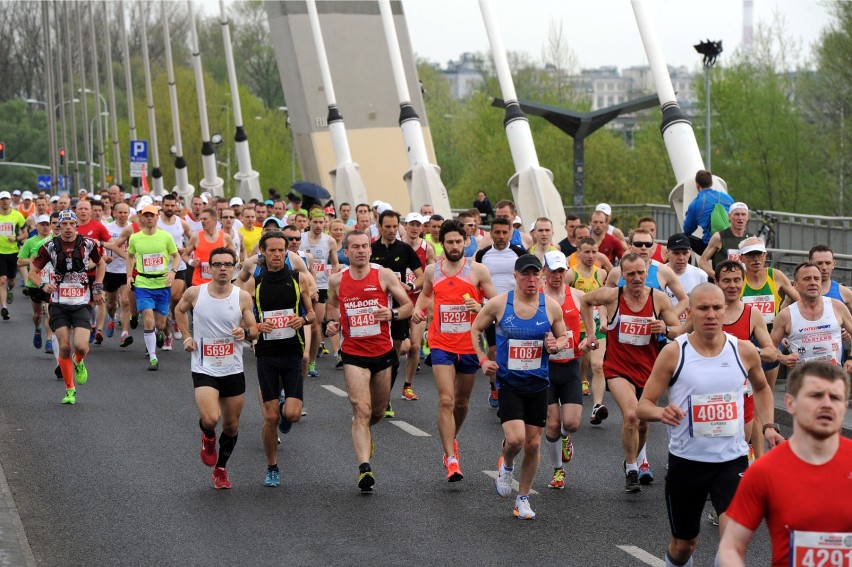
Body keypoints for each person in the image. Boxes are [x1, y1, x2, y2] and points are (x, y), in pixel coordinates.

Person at [636, 283, 783, 567]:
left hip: (732, 461)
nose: (711, 314)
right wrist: (660, 412)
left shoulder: (743, 351)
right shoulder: (674, 353)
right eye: (703, 308)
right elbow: (643, 404)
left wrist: (769, 426)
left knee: (732, 542)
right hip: (687, 462)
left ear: (725, 310)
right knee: (683, 546)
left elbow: (763, 389)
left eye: (717, 308)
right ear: (690, 312)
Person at [719, 361, 852, 567]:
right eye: (815, 395)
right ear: (790, 403)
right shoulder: (765, 470)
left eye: (835, 397)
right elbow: (731, 547)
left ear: (844, 408)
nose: (826, 403)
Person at [472, 254, 569, 519]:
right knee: (515, 439)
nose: (531, 279)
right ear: (515, 276)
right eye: (525, 274)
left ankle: (522, 498)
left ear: (542, 277)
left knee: (534, 444)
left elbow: (563, 336)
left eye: (535, 274)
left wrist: (556, 345)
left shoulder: (550, 306)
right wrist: (483, 359)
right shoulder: (500, 304)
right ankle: (507, 466)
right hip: (509, 383)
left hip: (538, 383)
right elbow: (476, 329)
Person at [581, 253, 681, 492]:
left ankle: (632, 459)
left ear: (647, 273)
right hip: (618, 369)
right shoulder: (612, 296)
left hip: (648, 371)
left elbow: (679, 329)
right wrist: (591, 333)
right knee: (632, 415)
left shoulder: (658, 299)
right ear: (622, 276)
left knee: (644, 425)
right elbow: (585, 300)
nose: (636, 278)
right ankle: (633, 467)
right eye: (631, 274)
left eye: (640, 273)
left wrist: (665, 329)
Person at [325, 230, 414, 492]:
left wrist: (393, 313)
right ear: (346, 251)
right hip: (353, 352)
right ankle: (365, 467)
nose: (361, 250)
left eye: (365, 246)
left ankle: (364, 431)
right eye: (355, 247)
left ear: (370, 249)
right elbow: (331, 306)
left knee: (375, 412)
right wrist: (332, 323)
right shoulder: (337, 280)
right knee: (360, 410)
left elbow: (408, 305)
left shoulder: (383, 274)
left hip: (383, 353)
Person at [413, 220, 497, 481]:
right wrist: (419, 309)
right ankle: (451, 458)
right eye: (449, 242)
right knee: (446, 400)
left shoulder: (478, 271)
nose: (454, 246)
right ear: (443, 243)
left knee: (461, 403)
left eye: (458, 241)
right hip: (441, 344)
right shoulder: (432, 271)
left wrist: (479, 306)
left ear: (465, 242)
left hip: (469, 346)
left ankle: (453, 437)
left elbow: (495, 305)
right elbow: (426, 295)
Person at [175, 247, 257, 490]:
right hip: (204, 366)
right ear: (209, 268)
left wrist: (246, 331)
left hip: (232, 367)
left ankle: (221, 469)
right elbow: (180, 311)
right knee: (211, 418)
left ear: (235, 267)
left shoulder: (242, 296)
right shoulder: (194, 293)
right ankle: (208, 436)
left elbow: (253, 329)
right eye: (218, 264)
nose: (223, 268)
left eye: (228, 264)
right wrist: (187, 336)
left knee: (231, 426)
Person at [246, 231, 315, 487]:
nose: (276, 255)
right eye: (271, 250)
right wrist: (255, 326)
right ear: (262, 252)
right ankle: (272, 466)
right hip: (266, 355)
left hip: (292, 352)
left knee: (292, 415)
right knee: (271, 417)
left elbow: (311, 313)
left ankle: (287, 411)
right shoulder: (255, 283)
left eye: (280, 250)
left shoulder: (299, 279)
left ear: (287, 253)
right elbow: (244, 314)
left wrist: (304, 319)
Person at [28, 210, 105, 404]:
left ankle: (78, 361)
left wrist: (97, 285)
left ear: (76, 226)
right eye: (64, 224)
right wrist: (43, 285)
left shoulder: (88, 244)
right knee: (64, 346)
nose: (68, 228)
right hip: (58, 302)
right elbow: (33, 272)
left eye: (72, 224)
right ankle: (70, 389)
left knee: (80, 346)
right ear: (59, 226)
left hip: (81, 302)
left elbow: (101, 264)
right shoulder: (49, 247)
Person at [540, 251, 586, 490]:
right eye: (552, 271)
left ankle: (567, 438)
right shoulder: (536, 298)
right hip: (545, 368)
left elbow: (592, 322)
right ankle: (558, 470)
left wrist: (589, 339)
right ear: (543, 271)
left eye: (561, 271)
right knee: (553, 424)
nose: (557, 276)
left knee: (572, 423)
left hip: (570, 366)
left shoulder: (577, 296)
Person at [370, 209, 423, 413]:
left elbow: (420, 277)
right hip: (374, 310)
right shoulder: (370, 248)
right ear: (379, 227)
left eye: (395, 226)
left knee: (393, 355)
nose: (392, 230)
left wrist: (409, 287)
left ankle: (386, 398)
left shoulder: (405, 249)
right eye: (388, 227)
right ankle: (373, 393)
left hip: (399, 309)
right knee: (374, 354)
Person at [475, 217, 526, 407]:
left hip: (514, 309)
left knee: (514, 351)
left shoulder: (519, 253)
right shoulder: (482, 255)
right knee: (495, 351)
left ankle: (512, 387)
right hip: (490, 309)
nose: (501, 236)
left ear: (511, 232)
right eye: (497, 232)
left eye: (505, 232)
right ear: (491, 233)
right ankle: (495, 388)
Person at [769, 262, 852, 372]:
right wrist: (783, 358)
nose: (813, 282)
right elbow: (770, 348)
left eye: (816, 278)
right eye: (807, 279)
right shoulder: (786, 315)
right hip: (801, 382)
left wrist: (850, 358)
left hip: (833, 379)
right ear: (795, 285)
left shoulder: (837, 307)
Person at [566, 237, 609, 421]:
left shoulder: (601, 274)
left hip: (597, 326)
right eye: (587, 252)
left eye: (594, 251)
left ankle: (597, 406)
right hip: (576, 327)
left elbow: (605, 301)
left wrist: (605, 321)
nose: (591, 255)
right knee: (572, 367)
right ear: (578, 252)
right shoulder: (570, 274)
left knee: (598, 366)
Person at [301, 210, 340, 377]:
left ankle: (311, 362)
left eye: (322, 222)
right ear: (309, 222)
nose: (318, 225)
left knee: (316, 327)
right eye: (315, 222)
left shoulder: (329, 241)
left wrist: (337, 276)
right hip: (303, 285)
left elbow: (335, 263)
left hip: (322, 286)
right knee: (301, 323)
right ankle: (299, 356)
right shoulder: (301, 239)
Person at [17, 214, 54, 351]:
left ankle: (49, 339)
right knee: (38, 314)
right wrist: (36, 261)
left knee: (51, 312)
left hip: (51, 283)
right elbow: (20, 261)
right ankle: (37, 328)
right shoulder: (30, 242)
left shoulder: (55, 242)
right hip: (35, 283)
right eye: (42, 224)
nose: (45, 227)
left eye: (47, 224)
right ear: (37, 226)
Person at [103, 202, 133, 347]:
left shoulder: (133, 228)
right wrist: (105, 256)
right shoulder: (108, 228)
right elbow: (103, 245)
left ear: (129, 213)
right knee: (111, 303)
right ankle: (112, 317)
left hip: (126, 271)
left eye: (125, 212)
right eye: (120, 212)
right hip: (111, 270)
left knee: (126, 301)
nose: (122, 215)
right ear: (114, 213)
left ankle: (125, 333)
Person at [683, 169, 734, 254]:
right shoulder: (728, 198)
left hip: (711, 247)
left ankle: (685, 266)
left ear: (697, 186)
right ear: (711, 183)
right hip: (731, 242)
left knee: (683, 237)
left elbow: (687, 230)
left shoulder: (696, 203)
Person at [698, 202, 753, 279]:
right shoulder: (719, 237)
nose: (740, 218)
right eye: (737, 214)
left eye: (743, 214)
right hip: (723, 286)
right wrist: (717, 277)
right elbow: (702, 262)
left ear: (747, 217)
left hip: (743, 285)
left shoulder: (752, 239)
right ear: (729, 216)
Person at [183, 208, 235, 288]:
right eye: (201, 219)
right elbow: (184, 255)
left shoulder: (225, 237)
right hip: (199, 282)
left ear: (214, 220)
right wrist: (191, 262)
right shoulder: (196, 237)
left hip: (219, 282)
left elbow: (235, 257)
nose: (202, 221)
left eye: (205, 219)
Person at [664, 233, 709, 325]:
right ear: (667, 252)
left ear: (690, 252)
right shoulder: (658, 273)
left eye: (685, 253)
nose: (681, 258)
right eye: (676, 253)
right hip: (664, 329)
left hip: (690, 329)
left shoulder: (701, 275)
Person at [0, 190, 27, 318]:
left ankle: (10, 290)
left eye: (6, 199)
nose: (4, 201)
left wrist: (16, 239)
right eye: (2, 199)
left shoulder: (17, 215)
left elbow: (25, 234)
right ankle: (4, 307)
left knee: (11, 280)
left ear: (10, 201)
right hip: (0, 252)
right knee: (2, 280)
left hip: (13, 251)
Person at [808, 244, 852, 313]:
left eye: (828, 263)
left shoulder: (845, 293)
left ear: (833, 264)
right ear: (810, 264)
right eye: (819, 263)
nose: (824, 267)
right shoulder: (797, 291)